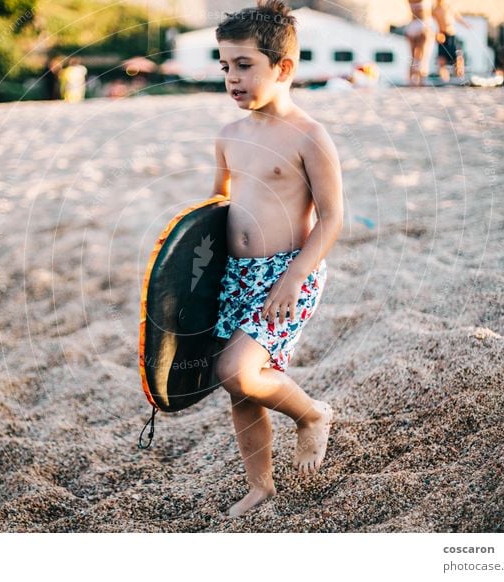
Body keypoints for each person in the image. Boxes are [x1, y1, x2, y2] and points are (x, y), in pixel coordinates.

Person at [211, 0, 344, 518]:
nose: (232, 78)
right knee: (241, 391)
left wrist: (293, 279)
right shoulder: (229, 136)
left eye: (244, 65)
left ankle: (312, 415)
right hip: (236, 276)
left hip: (289, 274)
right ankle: (260, 485)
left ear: (282, 67)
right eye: (225, 67)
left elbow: (331, 218)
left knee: (237, 370)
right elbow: (214, 213)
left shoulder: (309, 136)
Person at [432, 0, 469, 82]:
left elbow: (458, 17)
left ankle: (460, 78)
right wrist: (435, 34)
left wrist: (466, 24)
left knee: (458, 59)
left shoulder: (449, 8)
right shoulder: (434, 10)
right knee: (441, 60)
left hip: (451, 35)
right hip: (442, 36)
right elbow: (431, 23)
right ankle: (444, 79)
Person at [405, 0, 437, 86]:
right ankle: (420, 79)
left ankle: (412, 80)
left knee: (414, 57)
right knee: (424, 56)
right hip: (423, 24)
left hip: (413, 25)